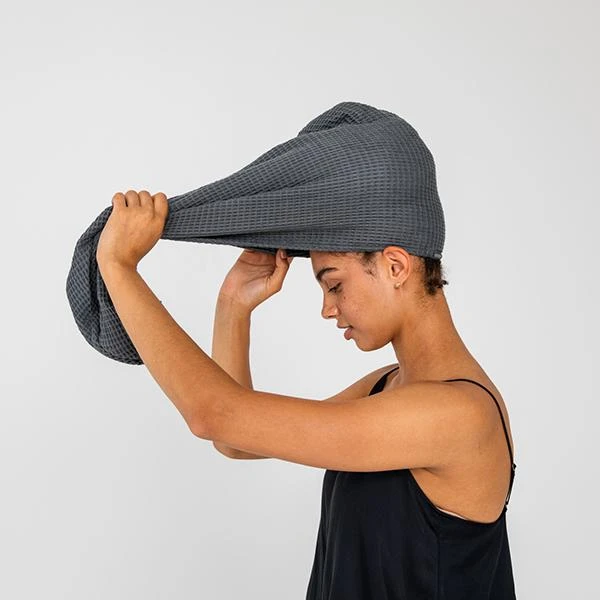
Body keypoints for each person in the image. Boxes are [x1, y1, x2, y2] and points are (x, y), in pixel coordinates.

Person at [211, 245, 517, 599]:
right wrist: (233, 303)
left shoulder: (458, 413)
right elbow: (235, 439)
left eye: (335, 285)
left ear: (395, 267)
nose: (327, 308)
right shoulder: (387, 385)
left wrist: (142, 277)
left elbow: (218, 417)